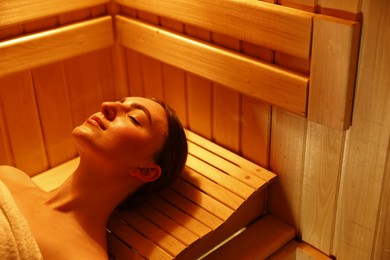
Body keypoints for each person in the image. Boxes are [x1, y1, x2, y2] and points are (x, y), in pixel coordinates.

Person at [0, 97, 188, 259]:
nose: (106, 104)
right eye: (118, 101)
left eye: (134, 119)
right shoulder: (10, 176)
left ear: (145, 171)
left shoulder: (82, 256)